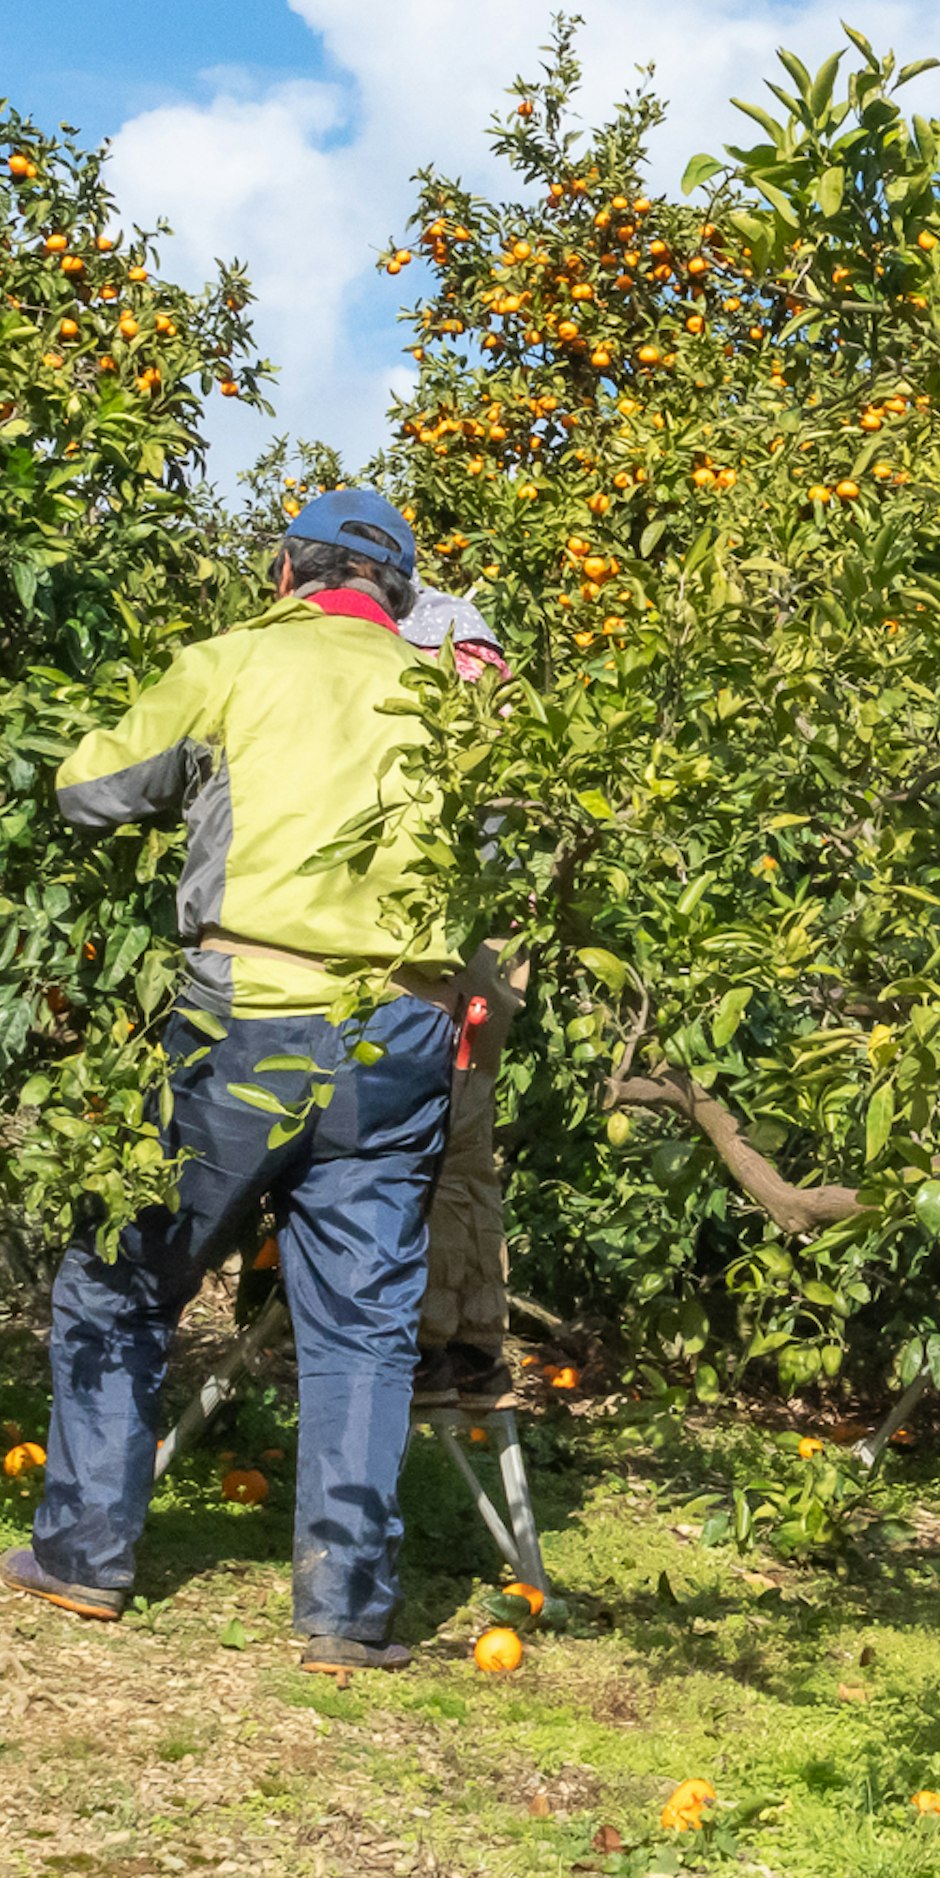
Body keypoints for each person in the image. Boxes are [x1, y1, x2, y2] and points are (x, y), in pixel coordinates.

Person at [0, 487, 462, 1675]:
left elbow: (89, 790)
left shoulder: (233, 665)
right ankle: (344, 1615)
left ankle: (83, 1554)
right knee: (362, 1331)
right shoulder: (455, 703)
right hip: (401, 1030)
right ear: (397, 601)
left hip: (251, 1014)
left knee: (124, 1274)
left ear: (286, 571)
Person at [396, 585, 522, 1411]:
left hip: (441, 956)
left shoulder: (420, 696)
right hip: (491, 953)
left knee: (426, 1146)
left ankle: (429, 1342)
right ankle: (471, 1342)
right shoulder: (493, 683)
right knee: (465, 1146)